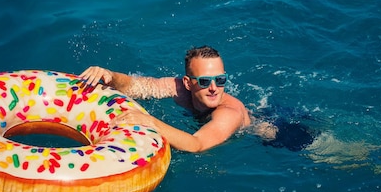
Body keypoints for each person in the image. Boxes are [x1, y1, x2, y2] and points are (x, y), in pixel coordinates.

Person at [79, 45, 252, 153]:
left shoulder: (229, 113)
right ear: (187, 83)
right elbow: (136, 87)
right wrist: (110, 75)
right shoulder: (177, 88)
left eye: (220, 80)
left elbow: (197, 144)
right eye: (204, 81)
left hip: (263, 135)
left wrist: (151, 122)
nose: (214, 88)